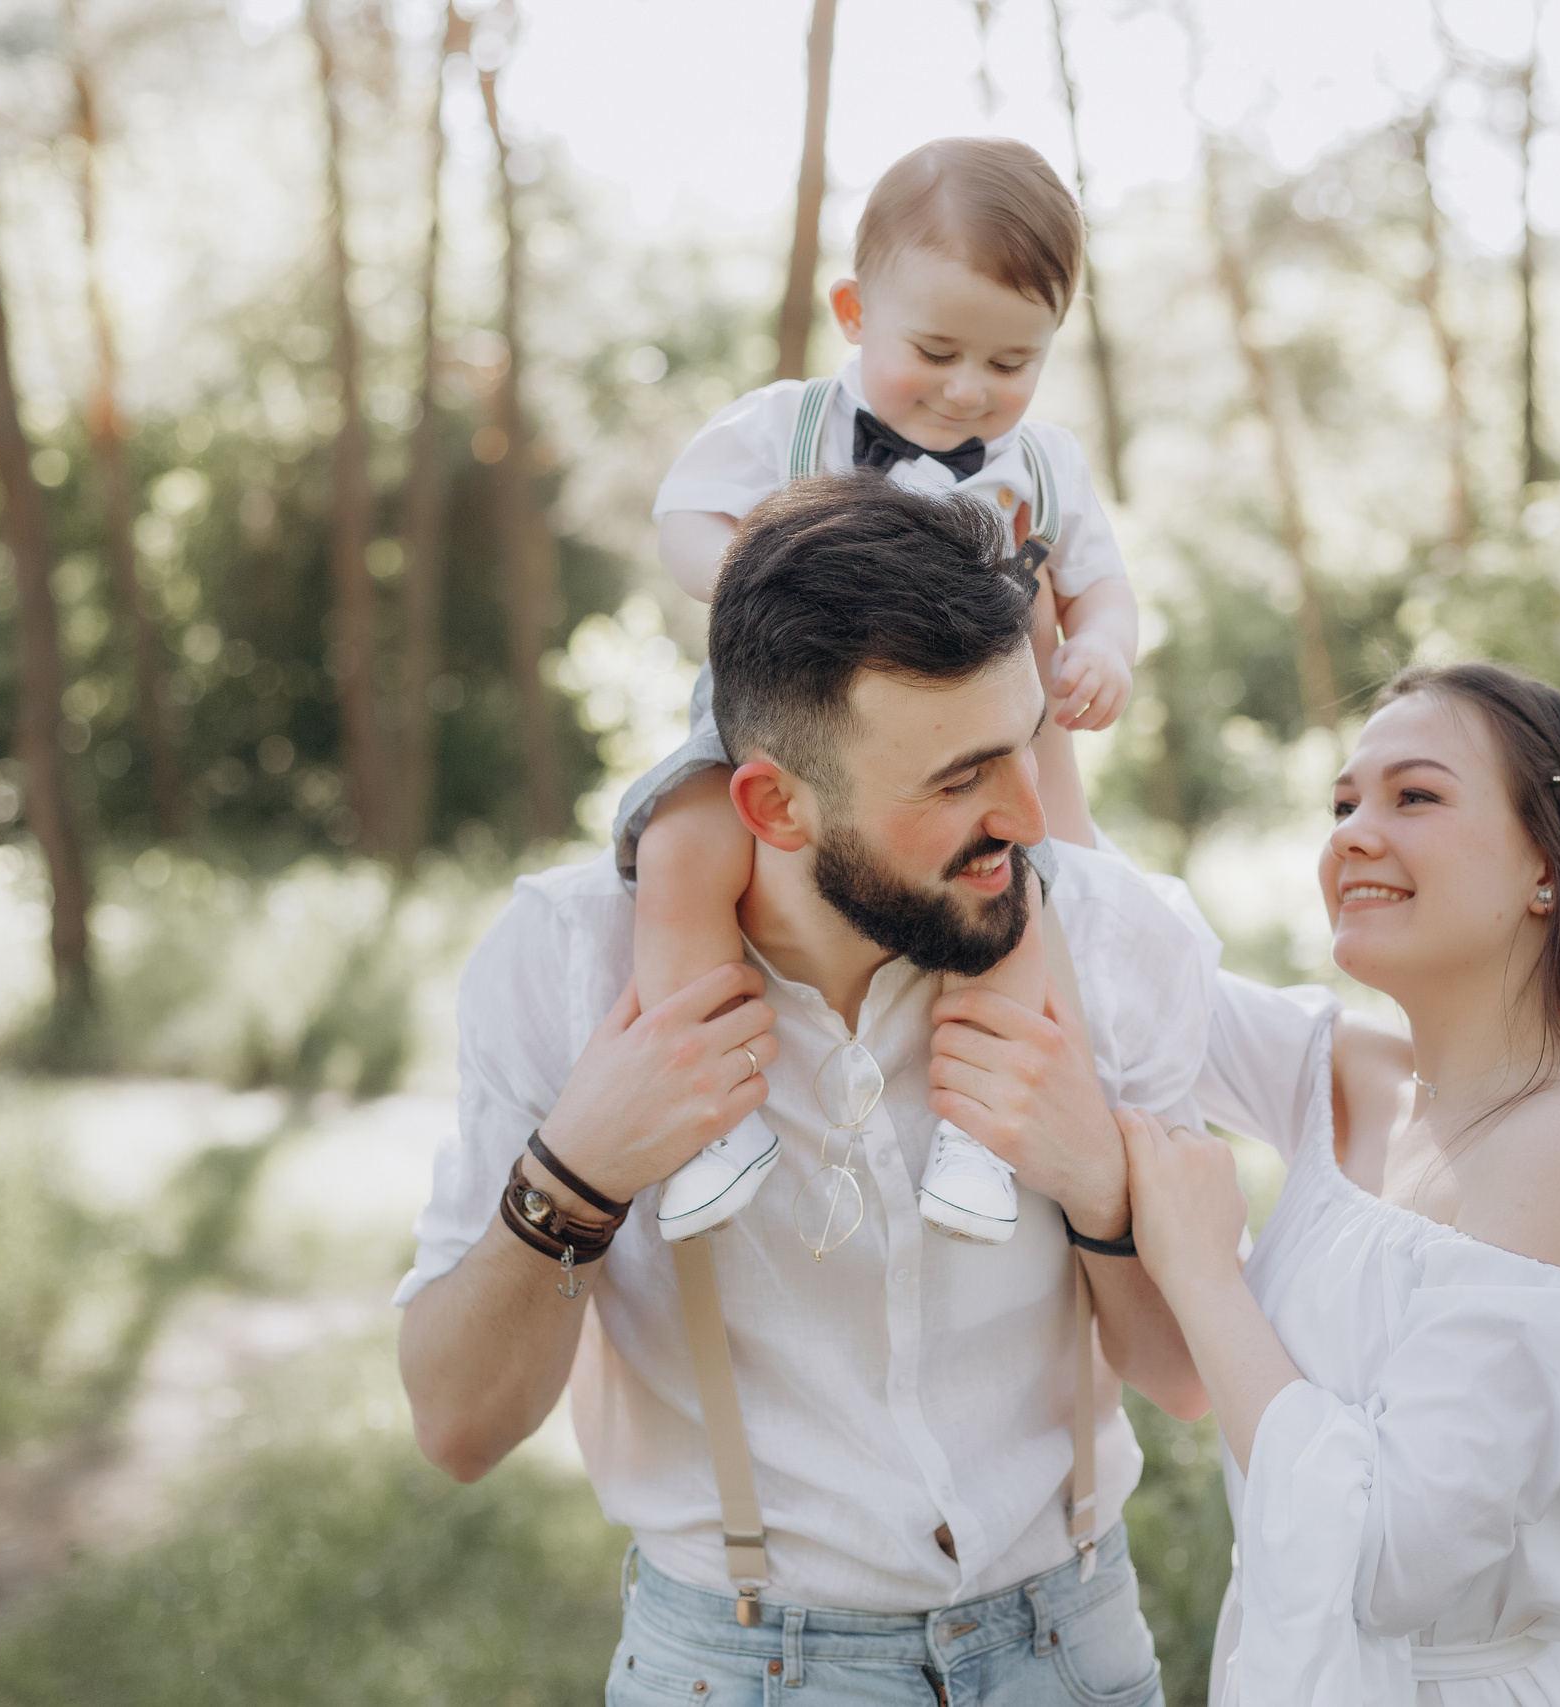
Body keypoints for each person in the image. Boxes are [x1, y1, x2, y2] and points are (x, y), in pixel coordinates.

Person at [396, 474, 1212, 1705]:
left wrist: (1098, 1180)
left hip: (1075, 1649)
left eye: (1029, 741)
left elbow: (1186, 1378)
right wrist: (577, 1172)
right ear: (774, 805)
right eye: (959, 779)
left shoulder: (1118, 940)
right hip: (736, 1668)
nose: (1031, 817)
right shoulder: (565, 963)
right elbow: (458, 1427)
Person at [1117, 663, 1560, 1705]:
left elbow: (1383, 1556)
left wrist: (1203, 1275)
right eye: (1342, 803)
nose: (1351, 834)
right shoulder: (1350, 1080)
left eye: (1412, 796)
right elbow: (1116, 957)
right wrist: (1031, 652)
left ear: (1547, 871)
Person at [622, 137, 1141, 1249]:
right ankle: (714, 1118)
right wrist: (762, 590)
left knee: (1007, 913)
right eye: (937, 350)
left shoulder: (1042, 466)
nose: (968, 390)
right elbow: (683, 517)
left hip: (960, 764)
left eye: (1010, 364)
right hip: (763, 728)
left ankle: (977, 1138)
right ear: (855, 311)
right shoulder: (786, 427)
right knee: (679, 855)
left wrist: (1103, 650)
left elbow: (1103, 587)